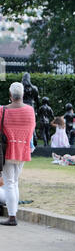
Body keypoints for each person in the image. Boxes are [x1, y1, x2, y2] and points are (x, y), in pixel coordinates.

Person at [0, 82, 35, 226]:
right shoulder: (30, 110)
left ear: (10, 95)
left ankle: (12, 216)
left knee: (9, 183)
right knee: (15, 182)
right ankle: (14, 213)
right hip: (23, 150)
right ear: (22, 95)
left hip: (7, 150)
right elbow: (31, 130)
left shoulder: (2, 110)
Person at [22, 72, 39, 146]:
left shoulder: (20, 87)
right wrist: (37, 110)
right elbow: (37, 100)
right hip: (31, 107)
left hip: (22, 106)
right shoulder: (34, 88)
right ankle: (34, 138)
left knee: (22, 125)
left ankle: (24, 140)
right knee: (32, 124)